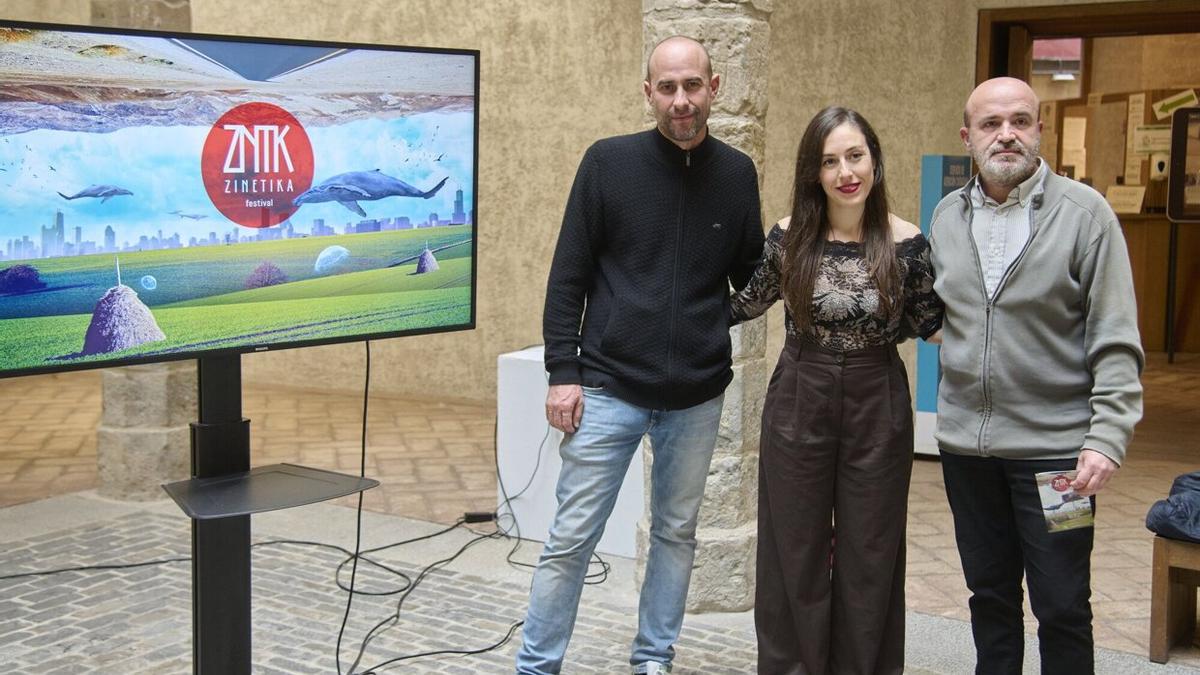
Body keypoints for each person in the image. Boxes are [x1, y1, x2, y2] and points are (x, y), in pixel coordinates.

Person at [516, 36, 765, 675]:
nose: (680, 101)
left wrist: (718, 318)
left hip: (697, 395)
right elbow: (567, 274)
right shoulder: (607, 164)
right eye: (667, 87)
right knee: (571, 540)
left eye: (692, 86)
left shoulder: (738, 174)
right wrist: (562, 371)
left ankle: (653, 659)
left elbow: (750, 275)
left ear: (715, 86)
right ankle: (536, 666)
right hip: (607, 389)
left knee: (676, 537)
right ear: (647, 91)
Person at [928, 77, 1144, 674]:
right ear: (967, 136)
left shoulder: (1085, 215)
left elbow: (1116, 336)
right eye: (992, 124)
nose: (1007, 135)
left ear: (1039, 130)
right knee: (989, 596)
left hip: (1057, 457)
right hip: (967, 452)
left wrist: (1106, 437)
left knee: (1063, 602)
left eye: (1021, 121)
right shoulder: (947, 215)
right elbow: (936, 312)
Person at [730, 106, 943, 674]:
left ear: (874, 160)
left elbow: (935, 324)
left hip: (879, 397)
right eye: (830, 161)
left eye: (855, 156)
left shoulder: (909, 242)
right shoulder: (788, 237)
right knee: (792, 548)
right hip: (801, 389)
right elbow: (742, 304)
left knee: (870, 551)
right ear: (813, 172)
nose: (846, 171)